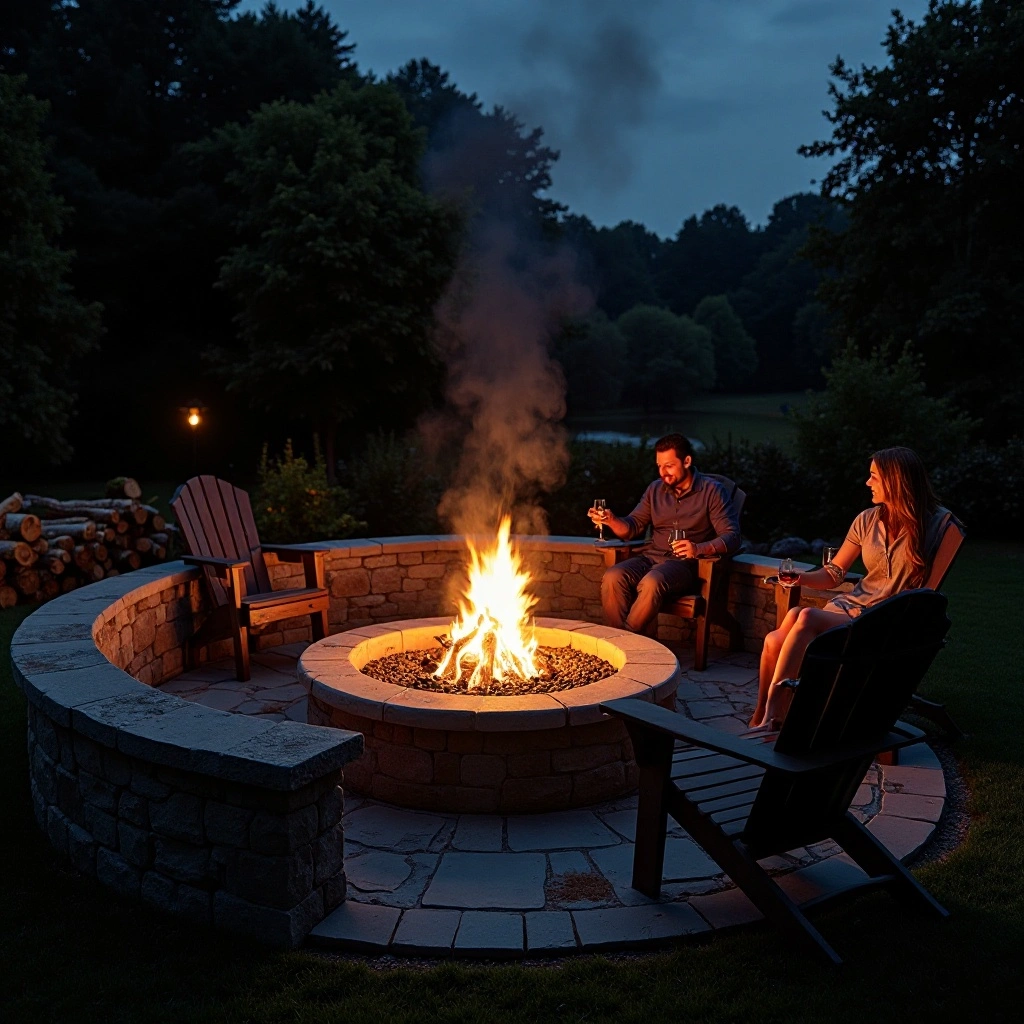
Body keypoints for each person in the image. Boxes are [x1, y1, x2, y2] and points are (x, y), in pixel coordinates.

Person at [750, 446, 952, 729]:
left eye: (874, 477)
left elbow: (930, 588)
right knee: (777, 634)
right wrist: (801, 577)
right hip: (851, 607)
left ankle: (776, 711)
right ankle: (761, 713)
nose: (867, 483)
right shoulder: (866, 520)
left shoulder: (934, 524)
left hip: (883, 619)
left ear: (895, 480)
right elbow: (834, 574)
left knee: (805, 616)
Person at [590, 433, 741, 634]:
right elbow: (632, 527)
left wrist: (697, 549)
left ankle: (623, 641)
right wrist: (611, 520)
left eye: (669, 465)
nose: (663, 472)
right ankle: (623, 639)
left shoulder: (712, 491)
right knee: (613, 576)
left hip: (685, 566)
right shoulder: (655, 490)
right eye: (659, 466)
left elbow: (732, 536)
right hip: (651, 558)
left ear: (686, 461)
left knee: (652, 581)